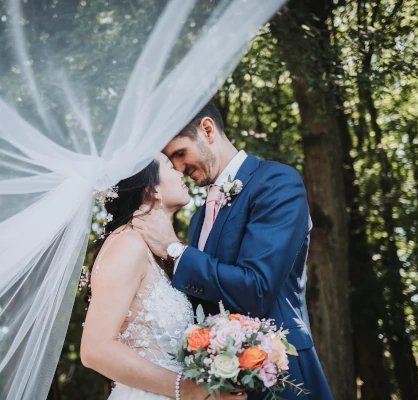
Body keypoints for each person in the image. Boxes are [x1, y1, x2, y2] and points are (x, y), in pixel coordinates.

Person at [132, 102, 334, 400]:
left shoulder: (277, 182)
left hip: (280, 376)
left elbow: (257, 288)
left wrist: (175, 250)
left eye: (180, 153)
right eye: (171, 161)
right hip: (219, 383)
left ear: (208, 130)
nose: (178, 168)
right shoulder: (200, 217)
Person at [80, 153, 247, 400]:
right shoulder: (128, 244)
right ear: (152, 189)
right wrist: (188, 389)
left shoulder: (151, 251)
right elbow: (95, 349)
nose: (181, 171)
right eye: (171, 166)